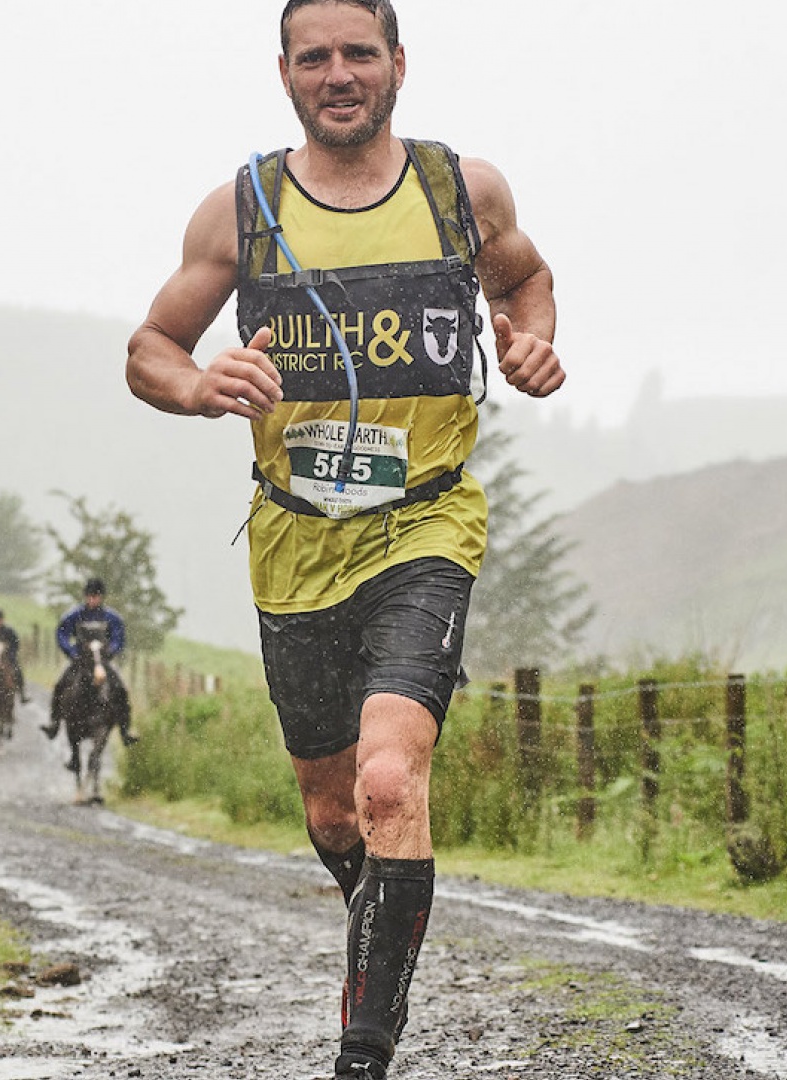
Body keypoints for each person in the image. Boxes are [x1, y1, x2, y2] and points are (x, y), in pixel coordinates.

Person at [122, 3, 564, 1077]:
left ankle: (362, 1053)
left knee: (386, 783)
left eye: (358, 52)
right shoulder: (243, 211)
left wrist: (533, 347)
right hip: (295, 542)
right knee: (332, 811)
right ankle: (385, 932)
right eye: (313, 56)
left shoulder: (463, 192)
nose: (338, 73)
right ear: (284, 73)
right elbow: (150, 349)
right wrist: (198, 384)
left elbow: (528, 283)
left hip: (427, 525)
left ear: (398, 64)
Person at [42, 579, 135, 745]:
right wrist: (71, 651)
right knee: (60, 685)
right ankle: (54, 723)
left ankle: (125, 730)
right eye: (90, 596)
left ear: (101, 598)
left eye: (96, 597)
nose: (93, 600)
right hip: (80, 660)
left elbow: (118, 638)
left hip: (103, 661)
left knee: (120, 689)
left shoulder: (112, 618)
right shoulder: (74, 615)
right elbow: (62, 634)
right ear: (85, 597)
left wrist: (110, 650)